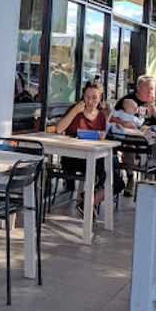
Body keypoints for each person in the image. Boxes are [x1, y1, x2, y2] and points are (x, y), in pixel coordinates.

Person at [56, 81, 111, 216]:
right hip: (73, 157)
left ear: (100, 98)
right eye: (87, 97)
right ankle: (88, 202)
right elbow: (59, 129)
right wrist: (75, 111)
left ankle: (88, 203)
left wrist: (102, 136)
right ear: (82, 96)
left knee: (114, 175)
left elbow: (102, 139)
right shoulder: (76, 110)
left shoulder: (101, 116)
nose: (90, 101)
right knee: (106, 172)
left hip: (93, 156)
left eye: (94, 98)